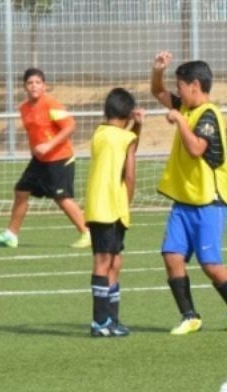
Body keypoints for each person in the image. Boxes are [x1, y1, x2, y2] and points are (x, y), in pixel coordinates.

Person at [150, 51, 227, 334]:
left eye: (180, 85)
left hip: (209, 201)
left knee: (211, 265)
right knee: (171, 256)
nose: (176, 91)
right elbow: (157, 90)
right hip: (184, 200)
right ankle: (189, 315)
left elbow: (196, 150)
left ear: (195, 85)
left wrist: (180, 122)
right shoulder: (186, 107)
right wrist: (157, 69)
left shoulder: (208, 115)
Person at [0, 68, 90, 249]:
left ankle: (87, 233)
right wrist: (36, 151)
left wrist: (48, 145)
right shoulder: (24, 108)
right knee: (21, 191)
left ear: (45, 86)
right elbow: (36, 134)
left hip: (59, 158)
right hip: (40, 161)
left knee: (62, 198)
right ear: (24, 86)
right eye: (30, 83)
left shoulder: (51, 104)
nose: (34, 86)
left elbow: (70, 126)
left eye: (38, 83)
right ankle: (11, 235)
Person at [86, 88, 143, 337]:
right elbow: (129, 175)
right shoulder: (123, 139)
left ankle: (111, 319)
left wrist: (135, 127)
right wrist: (126, 202)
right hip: (111, 207)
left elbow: (128, 144)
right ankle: (100, 322)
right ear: (129, 113)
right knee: (104, 261)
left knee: (114, 261)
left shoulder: (100, 133)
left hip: (99, 205)